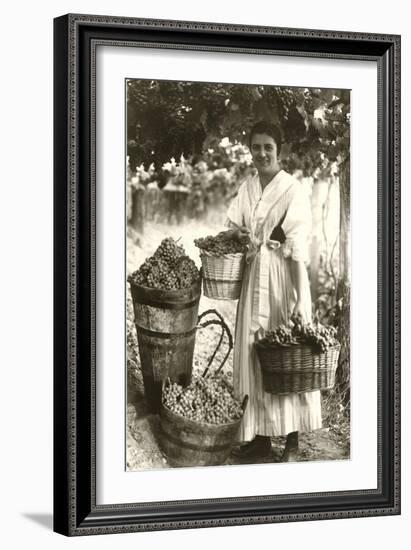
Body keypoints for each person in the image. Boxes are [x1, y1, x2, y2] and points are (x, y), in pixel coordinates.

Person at [224, 120, 321, 461]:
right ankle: (261, 438)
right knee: (253, 354)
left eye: (268, 147)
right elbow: (233, 225)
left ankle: (292, 441)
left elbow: (296, 247)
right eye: (256, 147)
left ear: (279, 150)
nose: (262, 153)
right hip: (254, 276)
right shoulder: (248, 187)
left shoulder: (292, 190)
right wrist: (239, 235)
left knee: (287, 359)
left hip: (280, 278)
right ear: (249, 149)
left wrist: (300, 297)